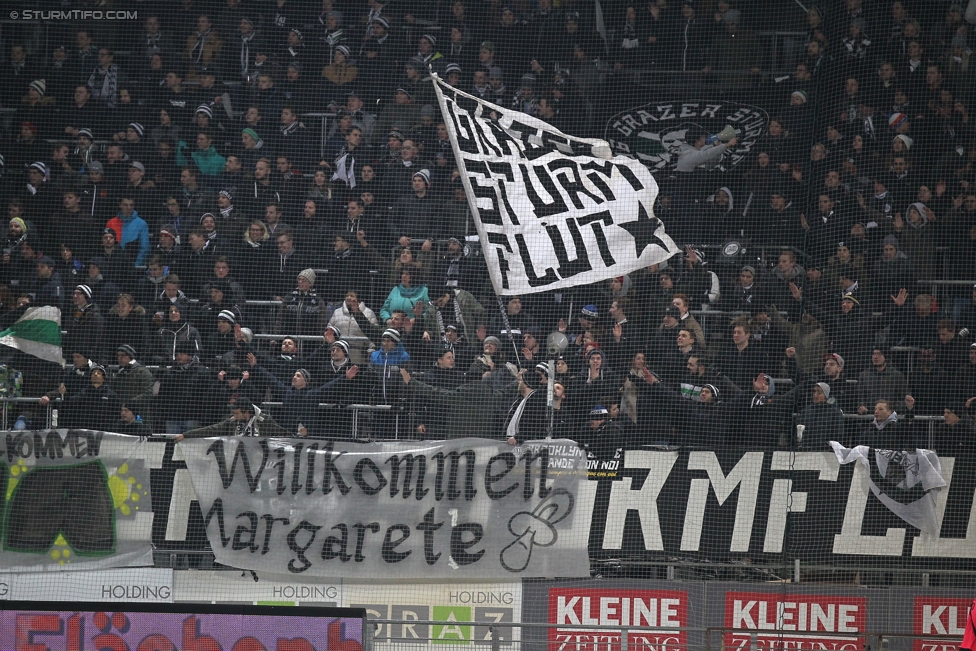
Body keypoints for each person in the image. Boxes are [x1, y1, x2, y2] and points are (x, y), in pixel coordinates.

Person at [176, 398, 289, 439]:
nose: (235, 416)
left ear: (246, 412)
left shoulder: (264, 421)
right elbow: (211, 429)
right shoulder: (231, 422)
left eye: (237, 413)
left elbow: (283, 435)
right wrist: (186, 435)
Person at [796, 383, 845, 449]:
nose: (815, 395)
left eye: (819, 392)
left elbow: (838, 434)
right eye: (814, 392)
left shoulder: (835, 411)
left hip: (826, 450)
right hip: (807, 448)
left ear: (826, 395)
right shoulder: (807, 410)